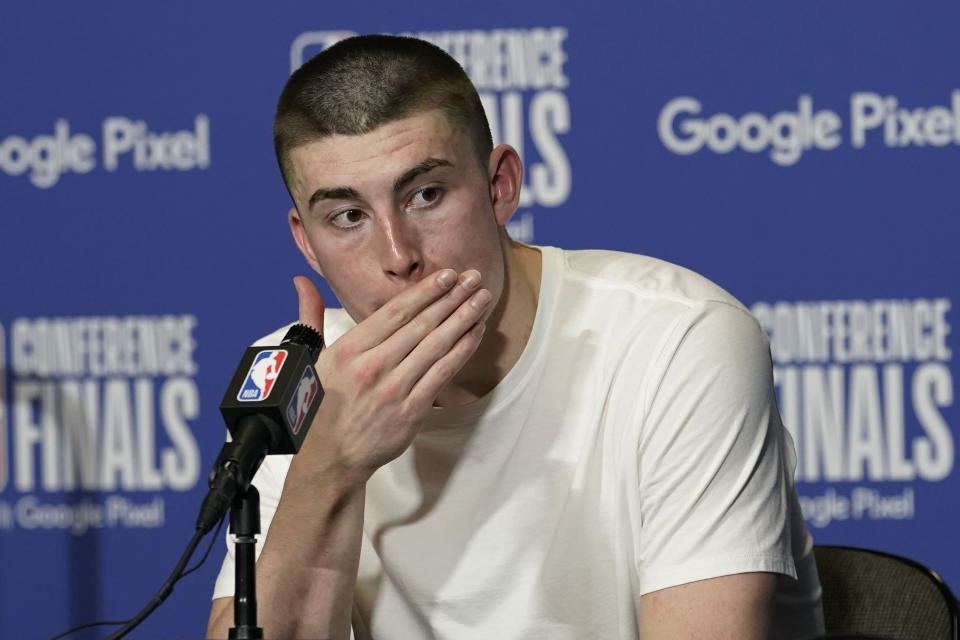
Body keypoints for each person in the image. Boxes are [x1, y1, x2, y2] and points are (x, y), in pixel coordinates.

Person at [207, 34, 824, 640]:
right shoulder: (303, 381)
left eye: (426, 195)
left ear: (499, 186)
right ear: (306, 241)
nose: (398, 256)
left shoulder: (679, 341)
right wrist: (329, 466)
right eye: (348, 217)